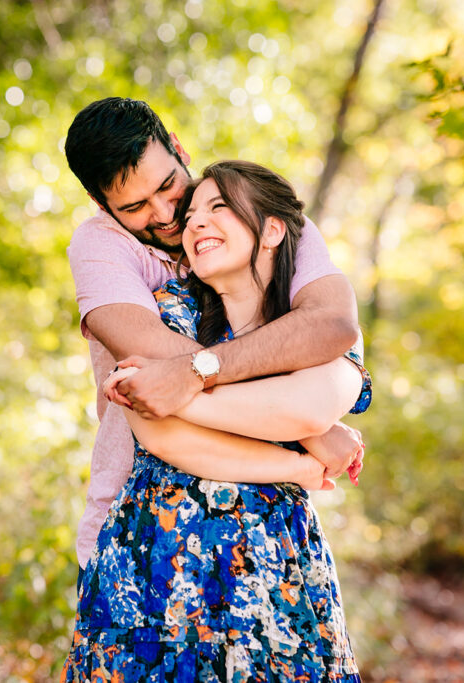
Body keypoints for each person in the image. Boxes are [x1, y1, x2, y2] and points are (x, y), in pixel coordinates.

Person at [61, 160, 368, 680]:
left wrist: (180, 388)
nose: (191, 221)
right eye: (194, 211)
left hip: (275, 561)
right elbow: (160, 434)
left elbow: (315, 404)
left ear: (271, 230)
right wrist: (292, 466)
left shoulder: (306, 327)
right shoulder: (163, 312)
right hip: (157, 564)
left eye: (217, 207)